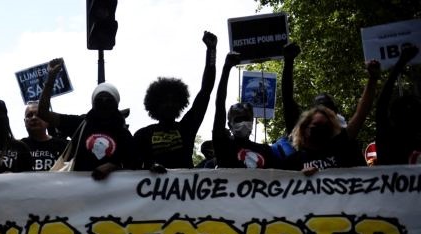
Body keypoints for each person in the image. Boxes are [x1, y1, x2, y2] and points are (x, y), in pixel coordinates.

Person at [37, 58, 135, 180]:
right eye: (99, 100)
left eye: (109, 100)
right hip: (80, 195)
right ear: (93, 103)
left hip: (111, 197)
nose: (104, 103)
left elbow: (134, 169)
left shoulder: (123, 133)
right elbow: (42, 113)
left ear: (116, 104)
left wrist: (112, 167)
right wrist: (51, 78)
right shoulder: (79, 124)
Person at [133, 31, 217, 171]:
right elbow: (133, 165)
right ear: (154, 105)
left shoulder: (186, 128)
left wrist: (211, 52)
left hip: (185, 191)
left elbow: (205, 91)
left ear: (180, 104)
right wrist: (149, 167)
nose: (169, 104)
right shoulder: (143, 134)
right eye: (164, 101)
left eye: (173, 100)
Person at [282, 42, 380, 141]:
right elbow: (288, 101)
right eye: (319, 111)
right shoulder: (302, 141)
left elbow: (362, 112)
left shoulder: (341, 141)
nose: (322, 115)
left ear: (334, 115)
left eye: (326, 111)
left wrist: (373, 78)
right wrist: (288, 62)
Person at [212, 52, 281, 169]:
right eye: (238, 119)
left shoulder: (265, 150)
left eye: (246, 119)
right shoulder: (223, 146)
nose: (243, 123)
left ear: (252, 122)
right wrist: (226, 68)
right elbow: (219, 105)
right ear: (229, 124)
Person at [282, 105, 364, 174]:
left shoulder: (344, 152)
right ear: (304, 128)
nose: (320, 131)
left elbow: (361, 114)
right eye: (316, 126)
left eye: (326, 126)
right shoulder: (292, 162)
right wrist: (301, 178)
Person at [375, 44, 421, 166]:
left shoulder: (386, 136)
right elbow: (382, 105)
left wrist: (400, 63)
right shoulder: (415, 139)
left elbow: (382, 104)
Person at [20, 101, 68, 171]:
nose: (34, 118)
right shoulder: (18, 147)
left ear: (47, 120)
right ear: (25, 121)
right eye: (29, 115)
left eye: (38, 115)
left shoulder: (64, 146)